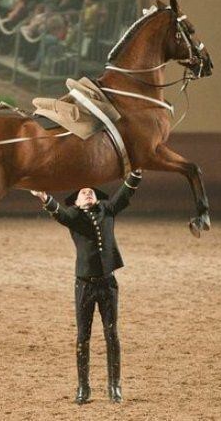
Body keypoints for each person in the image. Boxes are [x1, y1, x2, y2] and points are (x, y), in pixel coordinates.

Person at [31, 170, 143, 404]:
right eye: (83, 193)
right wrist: (43, 196)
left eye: (90, 192)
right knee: (83, 336)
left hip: (108, 283)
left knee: (111, 334)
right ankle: (84, 388)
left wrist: (136, 173)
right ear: (77, 202)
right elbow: (58, 213)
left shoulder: (107, 210)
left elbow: (125, 193)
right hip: (84, 285)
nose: (88, 193)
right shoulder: (73, 217)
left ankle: (115, 386)